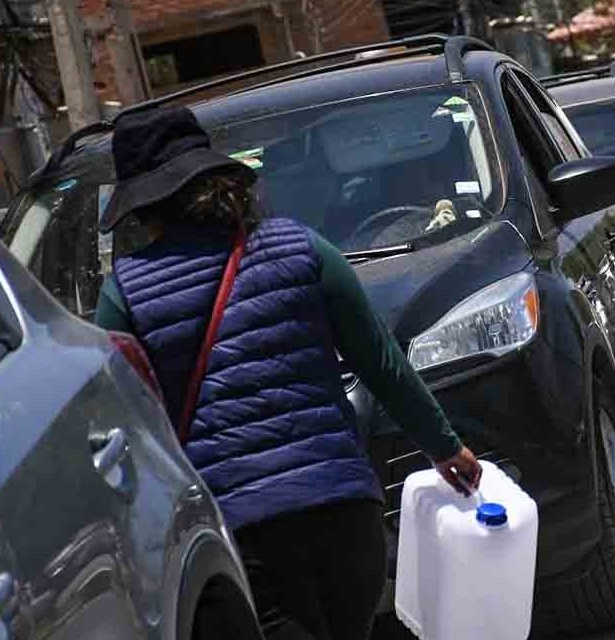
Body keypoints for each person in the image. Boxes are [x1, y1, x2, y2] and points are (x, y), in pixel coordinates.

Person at [94, 105, 482, 640]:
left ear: (143, 208)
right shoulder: (303, 249)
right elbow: (381, 363)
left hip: (243, 532)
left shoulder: (125, 294)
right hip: (345, 510)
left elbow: (116, 425)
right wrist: (444, 447)